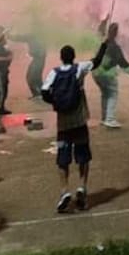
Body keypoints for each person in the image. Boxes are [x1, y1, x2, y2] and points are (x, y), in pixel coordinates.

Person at [43, 37, 108, 213]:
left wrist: (57, 102)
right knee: (83, 156)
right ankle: (82, 187)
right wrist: (104, 43)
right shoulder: (79, 69)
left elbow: (44, 91)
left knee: (63, 160)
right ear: (73, 56)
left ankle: (64, 191)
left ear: (61, 57)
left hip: (63, 124)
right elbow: (97, 61)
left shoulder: (54, 73)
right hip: (79, 121)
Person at [93, 19, 129, 128]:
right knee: (112, 94)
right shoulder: (114, 47)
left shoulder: (101, 41)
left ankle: (105, 118)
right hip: (107, 75)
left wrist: (104, 21)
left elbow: (99, 31)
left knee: (105, 94)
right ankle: (110, 119)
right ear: (116, 33)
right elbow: (124, 64)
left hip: (96, 73)